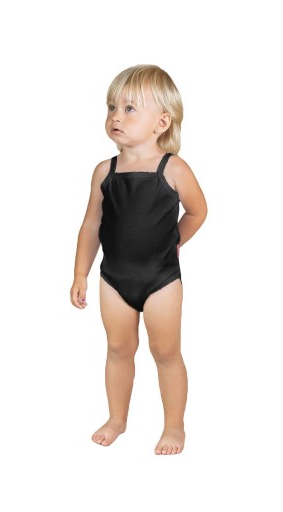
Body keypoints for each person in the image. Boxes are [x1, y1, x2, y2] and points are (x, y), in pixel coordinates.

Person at [70, 64, 207, 455]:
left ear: (162, 122)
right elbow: (91, 224)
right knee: (117, 349)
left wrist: (174, 242)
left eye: (130, 108)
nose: (116, 115)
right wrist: (80, 273)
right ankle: (117, 419)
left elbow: (198, 211)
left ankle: (174, 426)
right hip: (113, 279)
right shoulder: (104, 171)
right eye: (112, 106)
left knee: (165, 352)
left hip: (161, 280)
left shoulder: (174, 168)